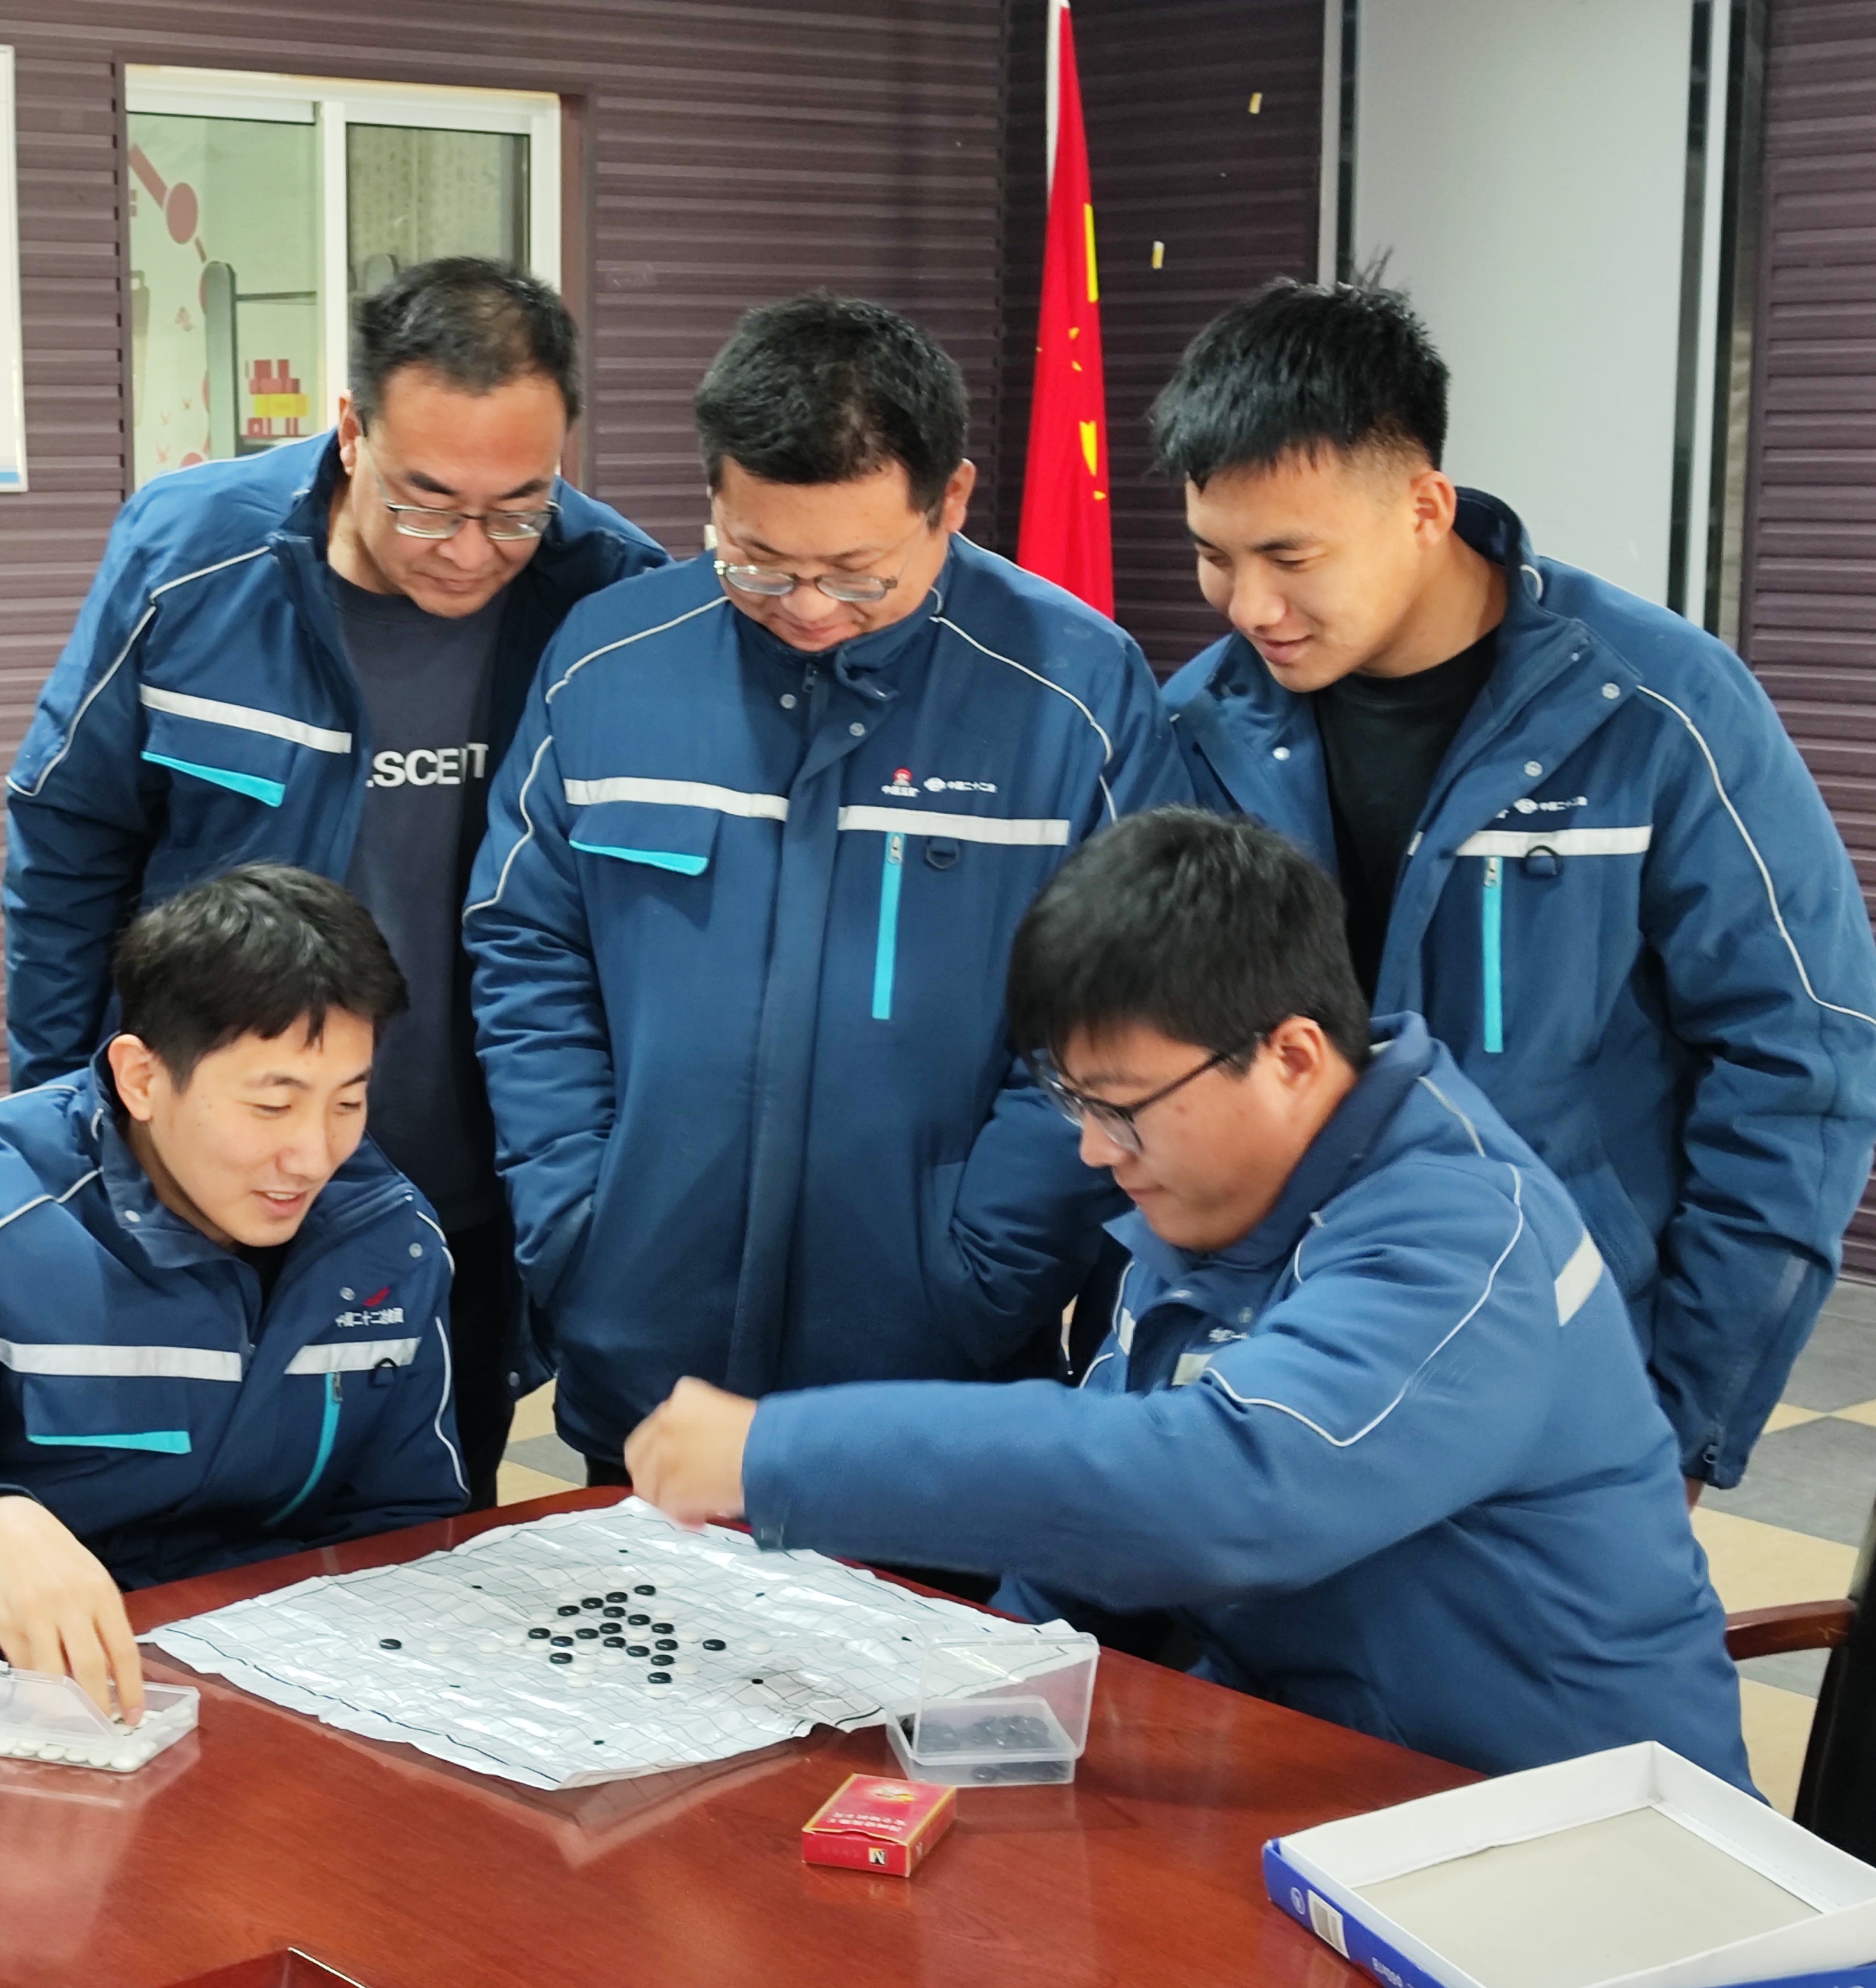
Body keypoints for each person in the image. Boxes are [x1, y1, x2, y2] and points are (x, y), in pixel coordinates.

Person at [626, 808, 1753, 1785]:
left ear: (1291, 1057)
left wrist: (780, 1455)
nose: (1091, 1147)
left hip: (1567, 1828)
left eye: (1120, 1104)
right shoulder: (1219, 1199)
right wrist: (987, 1695)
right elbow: (1085, 1538)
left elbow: (1220, 1490)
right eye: (1070, 1098)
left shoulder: (1462, 1239)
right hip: (1309, 1777)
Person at [1153, 279, 1876, 1500]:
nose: (1249, 607)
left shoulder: (1655, 709)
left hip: (1569, 1387)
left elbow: (1802, 1063)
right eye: (1213, 557)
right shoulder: (1200, 724)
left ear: (1424, 506)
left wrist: (1678, 1414)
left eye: (1290, 556)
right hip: (1282, 1378)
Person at [464, 294, 1185, 1478]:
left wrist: (984, 1267)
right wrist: (575, 1216)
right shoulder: (607, 661)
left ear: (950, 500)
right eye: (755, 561)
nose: (804, 607)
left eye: (856, 574)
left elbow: (1125, 1008)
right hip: (646, 1346)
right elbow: (525, 944)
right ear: (711, 494)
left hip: (932, 1385)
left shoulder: (1071, 694)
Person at [5, 258, 665, 1505]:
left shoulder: (608, 592)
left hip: (465, 1183)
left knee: (430, 1526)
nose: (469, 552)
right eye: (427, 503)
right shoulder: (191, 554)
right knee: (163, 1522)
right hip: (207, 1160)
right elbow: (68, 839)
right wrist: (65, 1111)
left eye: (517, 508)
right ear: (351, 429)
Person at [0, 865, 466, 1716]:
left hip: (280, 1699)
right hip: (18, 1708)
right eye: (271, 1106)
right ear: (141, 1078)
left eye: (348, 1103)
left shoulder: (387, 1239)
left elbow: (411, 1529)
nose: (314, 1156)